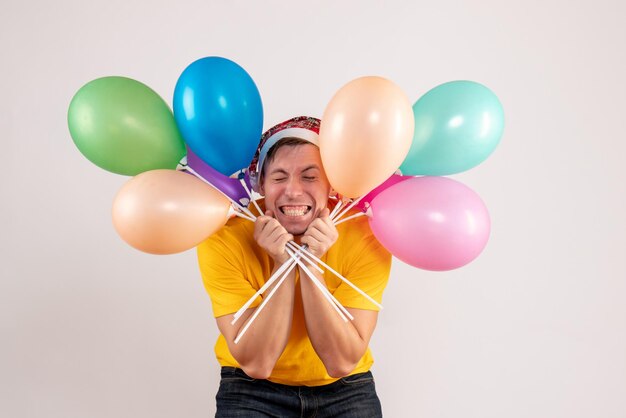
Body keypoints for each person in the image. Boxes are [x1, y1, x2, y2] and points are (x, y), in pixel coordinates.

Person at [197, 116, 391, 417]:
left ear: (332, 184)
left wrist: (311, 264)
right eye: (279, 177)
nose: (293, 191)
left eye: (310, 176)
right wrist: (282, 262)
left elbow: (341, 362)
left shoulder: (367, 234)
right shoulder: (223, 235)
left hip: (346, 387)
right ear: (261, 183)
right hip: (250, 389)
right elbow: (257, 363)